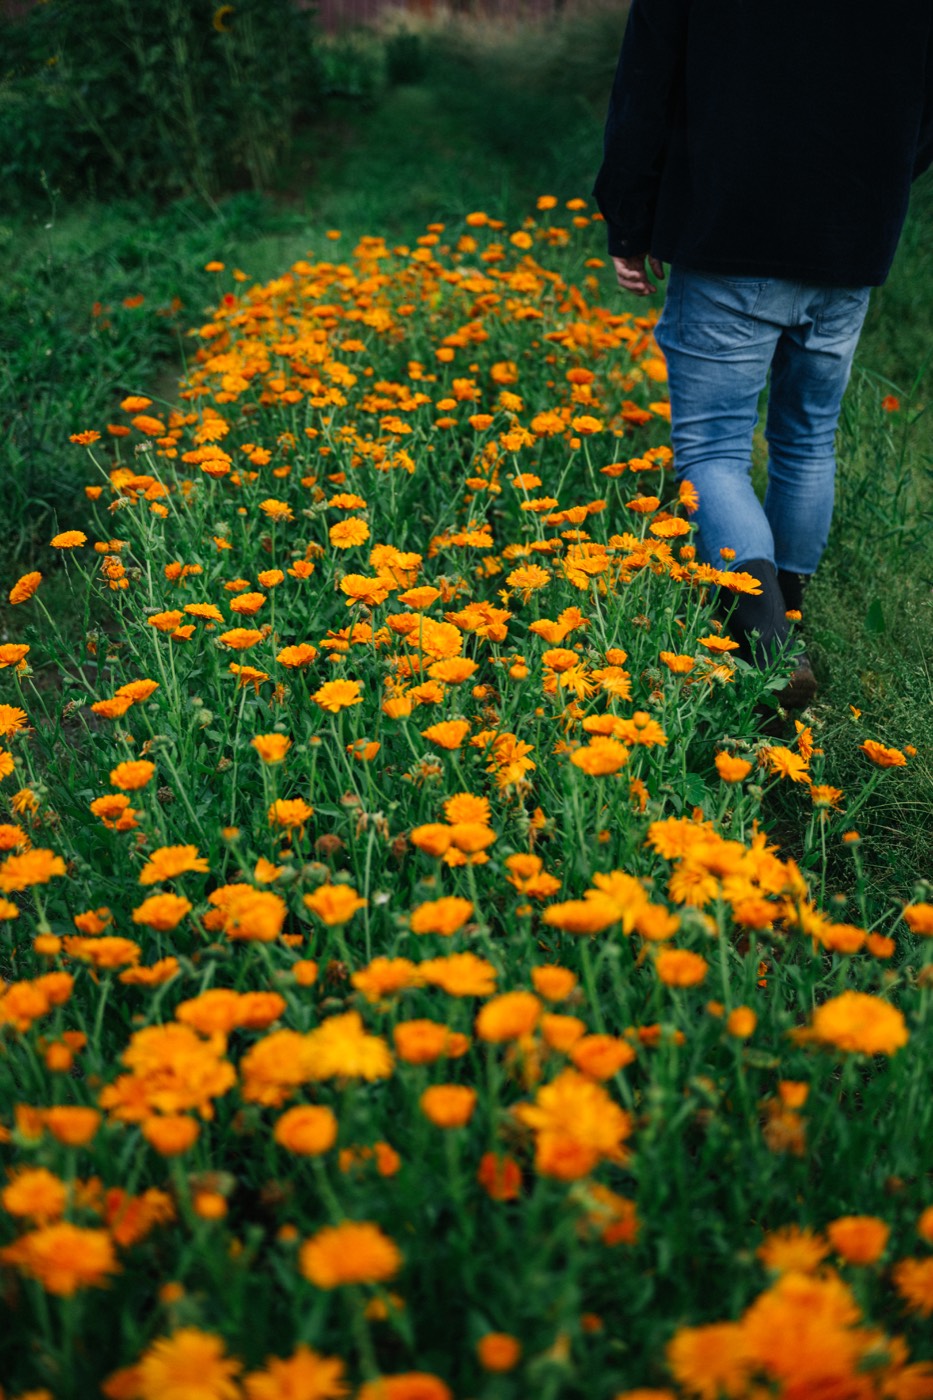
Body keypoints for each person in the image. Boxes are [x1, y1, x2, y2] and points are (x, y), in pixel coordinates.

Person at [593, 0, 933, 707]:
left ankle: (770, 648)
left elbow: (644, 84)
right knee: (806, 437)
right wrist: (876, 183)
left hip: (729, 231)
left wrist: (628, 217)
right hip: (852, 234)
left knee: (712, 451)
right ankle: (787, 615)